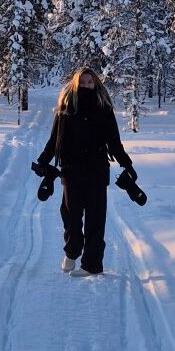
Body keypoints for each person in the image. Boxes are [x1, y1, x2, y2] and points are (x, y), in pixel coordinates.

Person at [35, 67, 134, 276]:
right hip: (72, 170)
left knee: (96, 220)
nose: (87, 85)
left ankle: (92, 265)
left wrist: (127, 163)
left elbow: (114, 142)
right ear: (75, 84)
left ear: (96, 84)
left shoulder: (104, 108)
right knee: (71, 216)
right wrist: (43, 160)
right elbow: (55, 140)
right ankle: (72, 251)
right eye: (83, 82)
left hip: (98, 170)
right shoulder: (66, 108)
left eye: (90, 82)